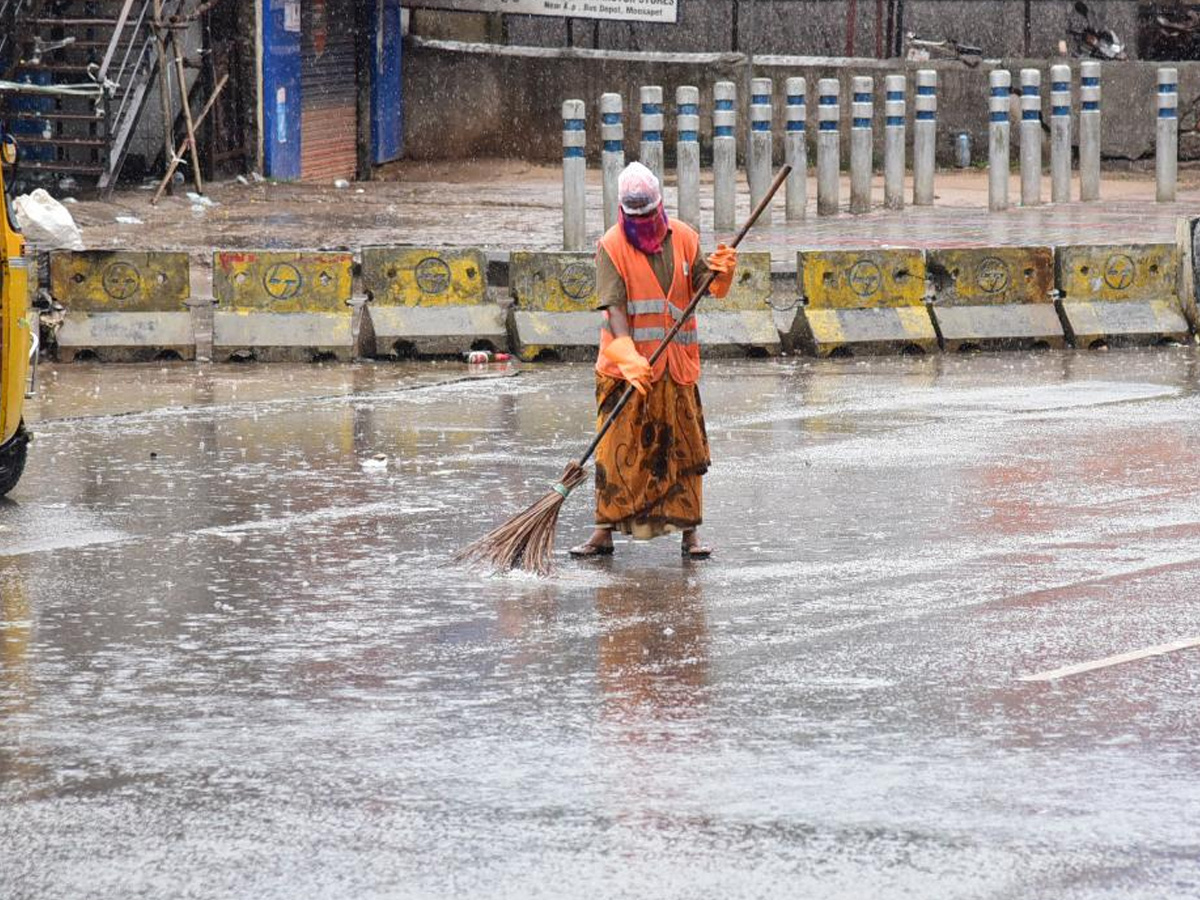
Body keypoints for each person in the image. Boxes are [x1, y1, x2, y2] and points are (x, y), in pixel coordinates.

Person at [569, 162, 737, 560]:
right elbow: (613, 308)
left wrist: (722, 274)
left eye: (650, 215)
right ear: (623, 212)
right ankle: (603, 532)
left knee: (683, 452)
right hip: (625, 372)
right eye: (636, 217)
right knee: (616, 452)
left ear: (660, 207)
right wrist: (627, 354)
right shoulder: (611, 246)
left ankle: (690, 535)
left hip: (676, 368)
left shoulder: (685, 238)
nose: (644, 222)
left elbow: (705, 288)